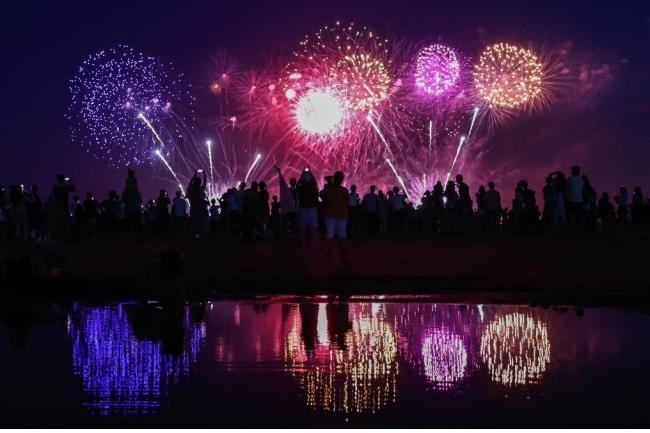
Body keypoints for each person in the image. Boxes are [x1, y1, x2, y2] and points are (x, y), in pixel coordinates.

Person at [320, 171, 349, 260]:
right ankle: (343, 251)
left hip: (330, 215)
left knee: (330, 234)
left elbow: (322, 197)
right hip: (342, 215)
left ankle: (330, 251)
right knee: (342, 234)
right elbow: (347, 202)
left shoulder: (328, 189)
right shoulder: (344, 190)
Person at [296, 167, 320, 245]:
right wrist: (310, 171)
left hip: (302, 209)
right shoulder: (313, 187)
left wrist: (303, 173)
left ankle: (304, 247)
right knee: (313, 230)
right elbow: (315, 182)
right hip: (312, 209)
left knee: (302, 230)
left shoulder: (300, 187)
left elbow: (298, 184)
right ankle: (312, 247)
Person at [51, 174, 75, 240]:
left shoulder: (55, 187)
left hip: (56, 206)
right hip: (64, 206)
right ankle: (64, 237)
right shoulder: (65, 187)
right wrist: (70, 181)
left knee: (57, 222)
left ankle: (57, 236)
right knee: (64, 222)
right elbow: (73, 189)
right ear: (63, 179)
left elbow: (52, 197)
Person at [186, 170, 209, 238]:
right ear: (199, 183)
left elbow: (190, 183)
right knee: (201, 222)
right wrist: (204, 174)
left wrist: (195, 174)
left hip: (193, 208)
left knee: (194, 221)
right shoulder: (201, 189)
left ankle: (194, 234)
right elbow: (205, 182)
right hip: (201, 208)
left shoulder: (191, 190)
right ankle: (200, 234)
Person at [121, 169, 142, 233]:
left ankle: (130, 228)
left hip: (129, 196)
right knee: (134, 212)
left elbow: (127, 187)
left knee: (129, 213)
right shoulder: (132, 180)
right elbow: (135, 187)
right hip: (133, 196)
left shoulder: (128, 180)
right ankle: (134, 228)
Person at [566, 166, 585, 233]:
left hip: (571, 199)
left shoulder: (569, 179)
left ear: (574, 171)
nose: (571, 171)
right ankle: (581, 230)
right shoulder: (582, 180)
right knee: (580, 216)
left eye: (572, 170)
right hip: (580, 200)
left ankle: (572, 230)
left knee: (572, 216)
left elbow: (566, 188)